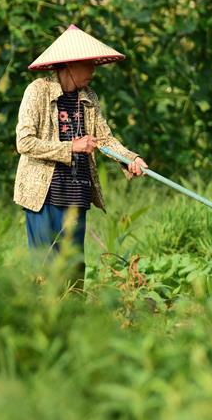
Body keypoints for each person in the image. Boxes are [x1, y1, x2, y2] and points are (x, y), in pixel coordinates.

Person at [13, 25, 147, 281]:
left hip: (77, 193)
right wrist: (71, 147)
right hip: (44, 195)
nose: (93, 70)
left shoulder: (89, 97)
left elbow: (105, 138)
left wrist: (131, 158)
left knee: (74, 269)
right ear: (70, 64)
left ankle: (74, 307)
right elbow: (25, 142)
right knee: (46, 267)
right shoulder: (38, 91)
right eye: (88, 64)